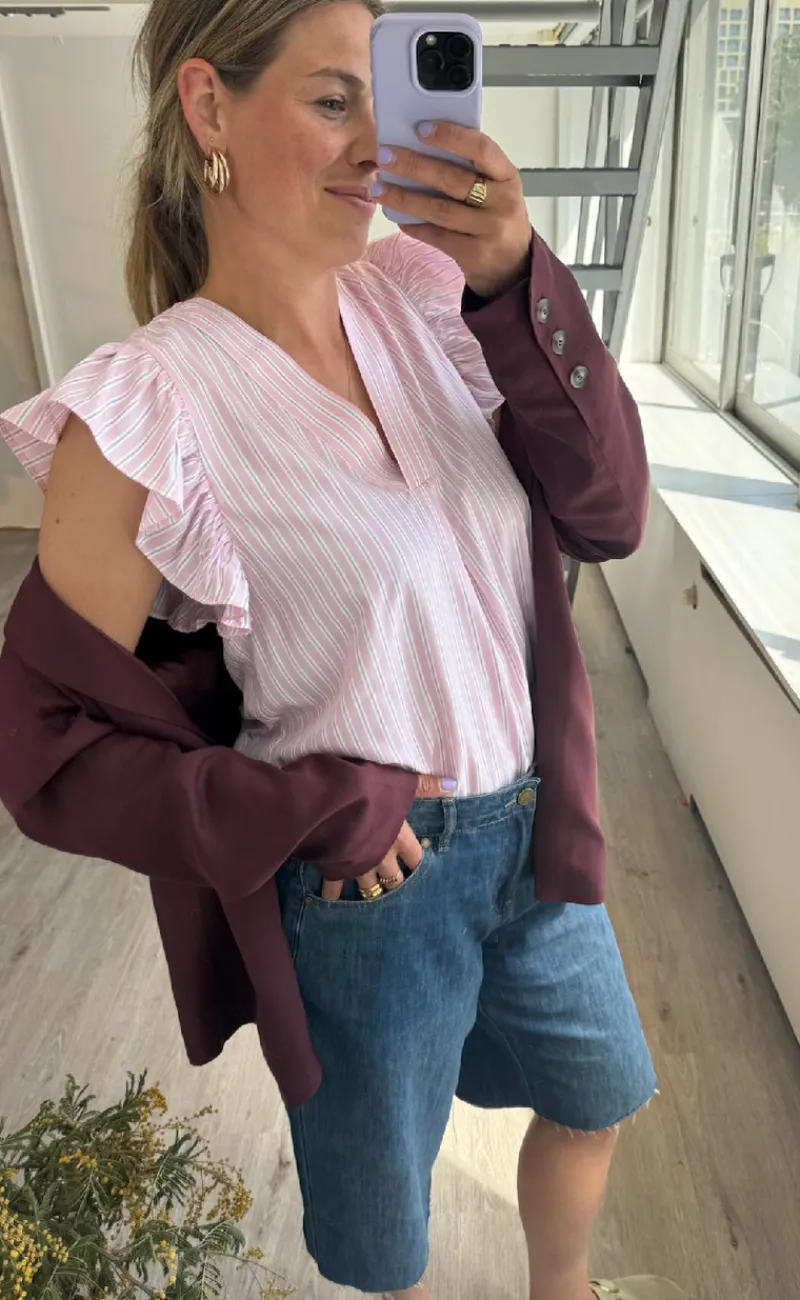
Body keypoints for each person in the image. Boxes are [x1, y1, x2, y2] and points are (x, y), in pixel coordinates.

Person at [0, 2, 689, 1299]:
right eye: (332, 101)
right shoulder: (147, 409)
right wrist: (303, 811)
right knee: (388, 1228)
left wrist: (517, 277)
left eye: (388, 99)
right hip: (375, 884)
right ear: (209, 107)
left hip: (541, 832)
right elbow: (46, 749)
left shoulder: (431, 301)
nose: (380, 145)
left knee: (598, 1095)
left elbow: (607, 513)